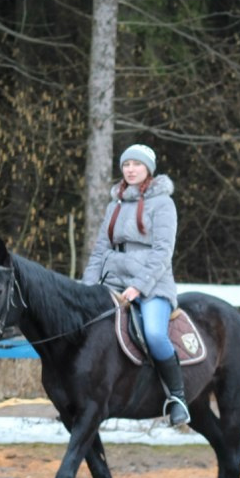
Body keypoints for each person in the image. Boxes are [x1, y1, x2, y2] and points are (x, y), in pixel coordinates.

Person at [82, 143, 190, 426]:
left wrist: (139, 287)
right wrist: (85, 288)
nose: (130, 169)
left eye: (137, 164)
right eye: (126, 164)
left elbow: (163, 252)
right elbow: (100, 250)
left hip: (152, 285)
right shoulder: (114, 205)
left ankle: (177, 397)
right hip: (113, 280)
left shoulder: (163, 204)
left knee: (154, 334)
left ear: (148, 170)